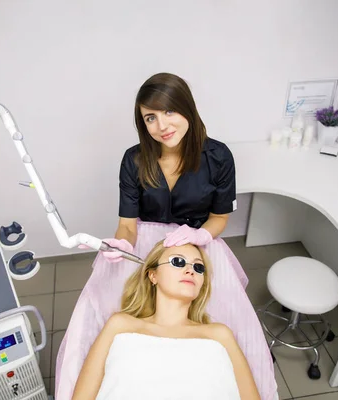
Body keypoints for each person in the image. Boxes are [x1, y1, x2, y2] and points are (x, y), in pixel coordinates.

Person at [55, 72, 277, 399]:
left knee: (219, 311)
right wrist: (122, 243)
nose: (162, 125)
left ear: (187, 108)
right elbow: (127, 224)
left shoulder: (218, 158)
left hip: (199, 241)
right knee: (114, 304)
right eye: (151, 118)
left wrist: (201, 236)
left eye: (169, 111)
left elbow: (219, 219)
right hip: (145, 243)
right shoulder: (134, 160)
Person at [71, 241, 261, 400]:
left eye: (198, 267)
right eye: (178, 261)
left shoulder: (220, 334)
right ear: (153, 275)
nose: (190, 270)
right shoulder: (120, 324)